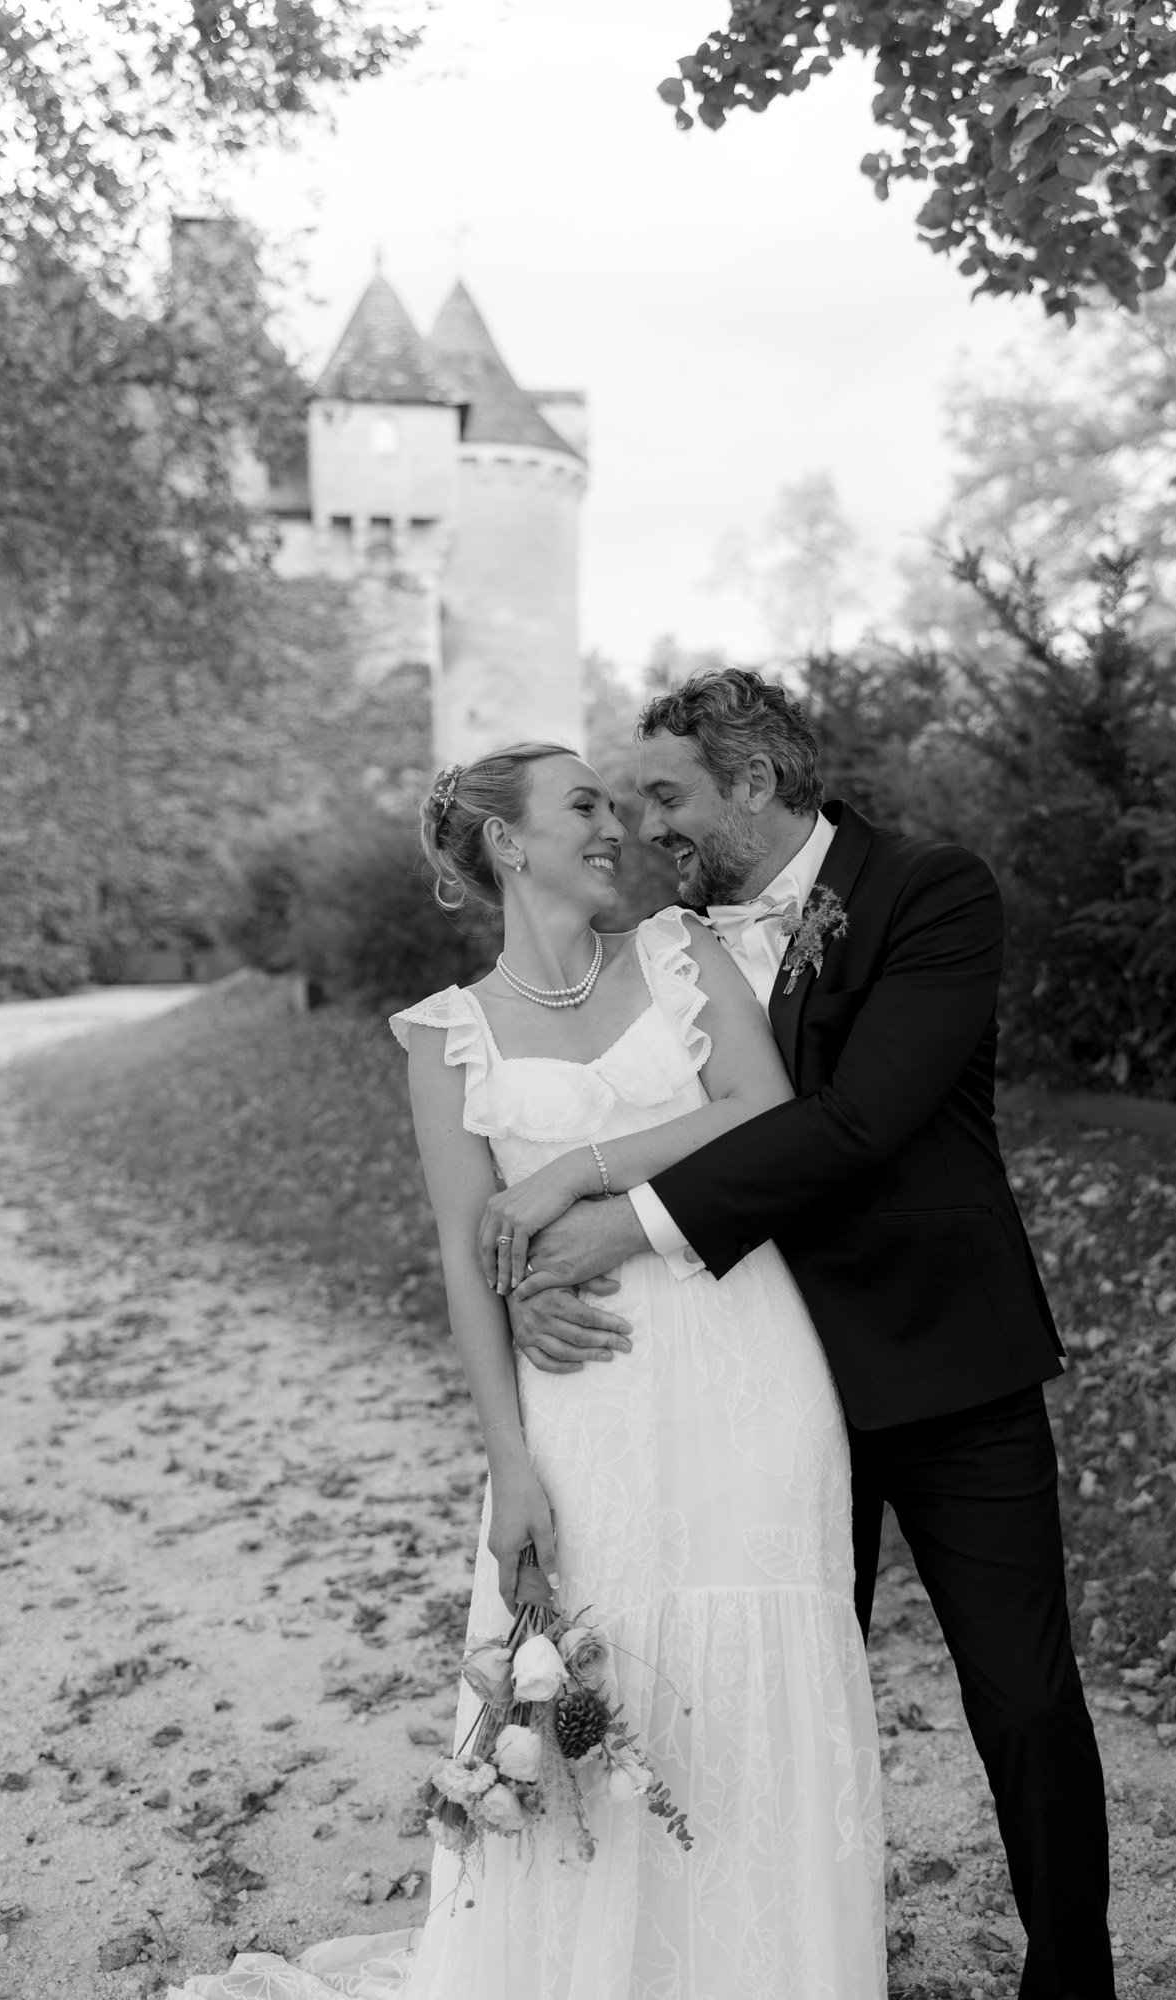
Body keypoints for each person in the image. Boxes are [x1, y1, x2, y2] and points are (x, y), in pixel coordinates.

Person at [170, 737, 885, 2000]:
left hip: (746, 1362)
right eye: (582, 805)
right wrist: (510, 1460)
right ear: (507, 843)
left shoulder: (679, 954)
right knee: (594, 1682)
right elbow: (463, 1253)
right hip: (583, 1401)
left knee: (752, 1659)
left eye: (612, 803)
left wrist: (575, 1171)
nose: (613, 824)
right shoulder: (449, 1038)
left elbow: (765, 1108)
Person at [508, 672, 1118, 2000]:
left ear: (758, 782)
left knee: (1020, 1699)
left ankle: (1074, 1981)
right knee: (771, 1702)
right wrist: (556, 1247)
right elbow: (604, 1106)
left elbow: (856, 1123)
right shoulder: (673, 945)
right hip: (763, 1389)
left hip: (945, 1357)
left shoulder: (930, 891)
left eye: (667, 794)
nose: (643, 826)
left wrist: (632, 1222)